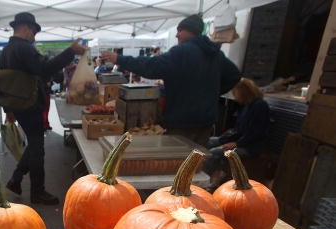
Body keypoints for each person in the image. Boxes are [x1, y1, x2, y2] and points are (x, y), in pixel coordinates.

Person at [101, 14, 242, 147]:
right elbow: (234, 76)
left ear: (189, 31)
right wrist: (212, 93)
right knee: (197, 163)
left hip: (182, 121)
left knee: (178, 163)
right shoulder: (216, 54)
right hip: (205, 122)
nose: (176, 35)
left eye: (179, 31)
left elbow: (151, 66)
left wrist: (119, 59)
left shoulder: (182, 52)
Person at [0, 12, 86, 205]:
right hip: (30, 105)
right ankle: (37, 192)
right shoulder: (25, 48)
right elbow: (45, 68)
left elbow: (4, 83)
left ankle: (16, 178)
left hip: (18, 106)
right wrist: (70, 51)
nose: (34, 36)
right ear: (26, 28)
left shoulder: (6, 51)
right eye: (34, 32)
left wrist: (9, 110)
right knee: (37, 149)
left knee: (34, 145)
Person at [203, 77, 271, 190]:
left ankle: (206, 181)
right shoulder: (247, 106)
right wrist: (224, 139)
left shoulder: (260, 106)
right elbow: (239, 129)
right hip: (240, 140)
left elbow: (256, 133)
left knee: (214, 152)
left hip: (250, 146)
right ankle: (217, 172)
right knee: (209, 141)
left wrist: (236, 143)